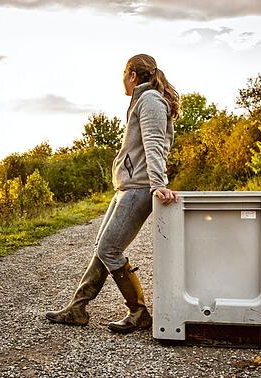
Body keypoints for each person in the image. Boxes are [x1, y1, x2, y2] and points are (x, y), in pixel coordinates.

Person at [45, 54, 180, 334]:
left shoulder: (151, 101)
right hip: (127, 187)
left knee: (109, 248)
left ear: (132, 75)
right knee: (102, 247)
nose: (121, 78)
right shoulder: (142, 100)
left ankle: (139, 312)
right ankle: (77, 307)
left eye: (123, 72)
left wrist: (157, 184)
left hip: (140, 187)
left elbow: (155, 145)